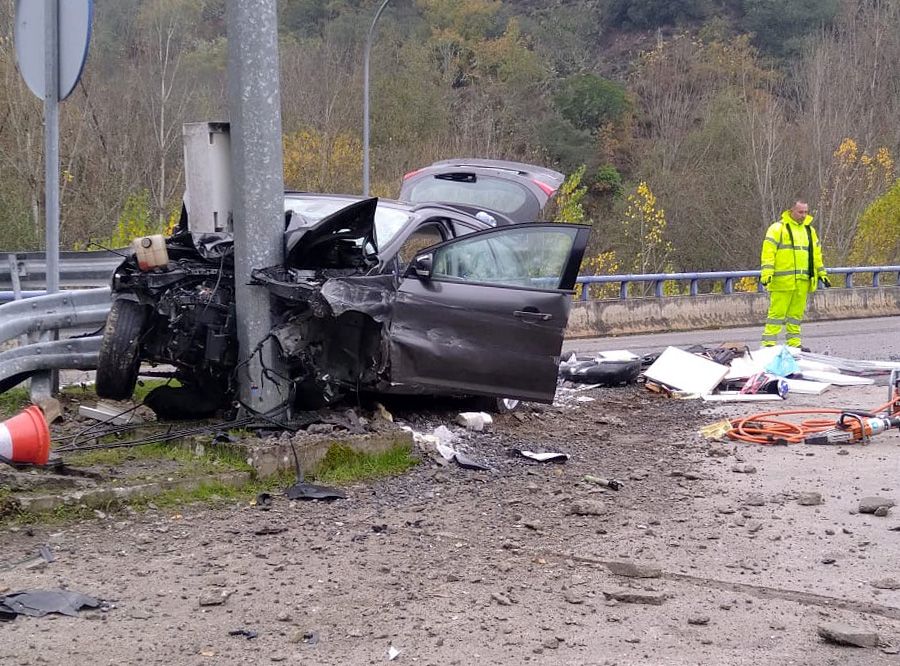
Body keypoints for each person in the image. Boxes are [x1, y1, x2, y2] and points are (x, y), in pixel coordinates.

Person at [759, 200, 830, 348]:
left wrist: (821, 272)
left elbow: (816, 255)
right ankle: (768, 345)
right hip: (783, 281)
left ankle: (794, 345)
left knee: (795, 316)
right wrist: (767, 272)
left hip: (803, 281)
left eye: (806, 212)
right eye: (800, 212)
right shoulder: (778, 229)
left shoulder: (809, 231)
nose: (804, 215)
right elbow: (768, 252)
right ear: (791, 211)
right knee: (776, 315)